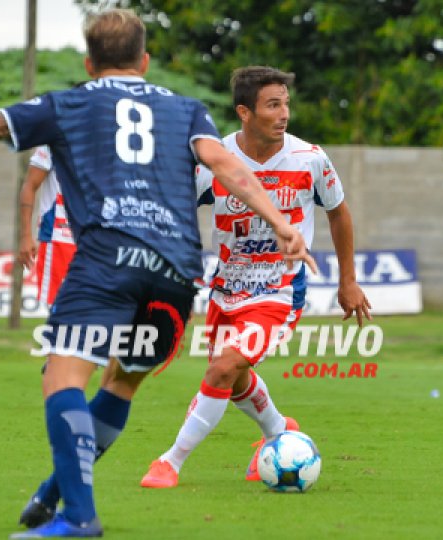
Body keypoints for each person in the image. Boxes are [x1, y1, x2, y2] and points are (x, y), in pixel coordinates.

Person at [0, 10, 317, 539]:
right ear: (146, 60)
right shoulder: (186, 111)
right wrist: (282, 224)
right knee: (120, 384)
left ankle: (79, 516)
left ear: (90, 63)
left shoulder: (68, 103)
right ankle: (53, 494)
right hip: (176, 271)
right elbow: (229, 169)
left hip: (108, 258)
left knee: (63, 378)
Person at [139, 66, 372, 489]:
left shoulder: (310, 158)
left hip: (280, 289)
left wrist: (348, 281)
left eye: (285, 103)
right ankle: (279, 429)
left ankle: (169, 462)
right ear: (245, 112)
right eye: (272, 105)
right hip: (226, 287)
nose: (284, 113)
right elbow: (175, 215)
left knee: (223, 369)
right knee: (235, 374)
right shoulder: (216, 161)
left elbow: (338, 213)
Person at [17, 146, 76, 309]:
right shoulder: (52, 140)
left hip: (95, 238)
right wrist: (26, 236)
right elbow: (30, 185)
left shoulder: (105, 137)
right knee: (60, 310)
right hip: (59, 238)